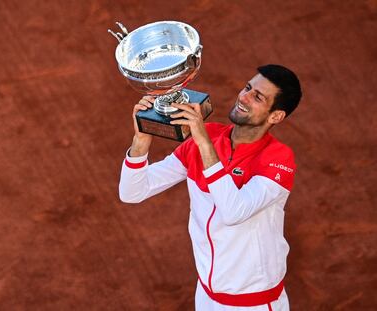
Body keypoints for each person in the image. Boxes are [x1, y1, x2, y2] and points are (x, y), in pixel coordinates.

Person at [119, 64, 302, 311]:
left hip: (255, 304)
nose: (244, 97)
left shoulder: (277, 158)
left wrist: (204, 142)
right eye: (247, 88)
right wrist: (141, 139)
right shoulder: (208, 136)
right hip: (206, 297)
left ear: (276, 116)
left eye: (257, 97)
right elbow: (132, 193)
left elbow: (233, 212)